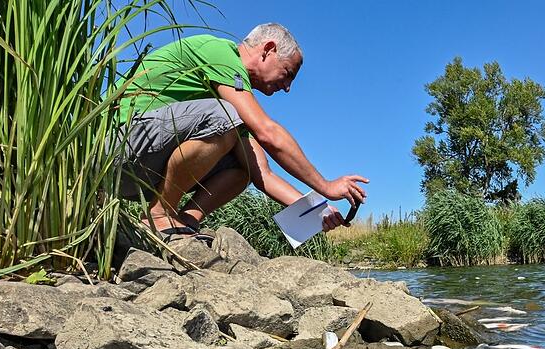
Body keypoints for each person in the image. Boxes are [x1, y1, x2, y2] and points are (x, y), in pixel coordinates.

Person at [112, 23, 367, 241]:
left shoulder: (228, 101)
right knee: (222, 116)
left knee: (244, 165)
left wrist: (317, 212)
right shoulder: (219, 53)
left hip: (140, 166)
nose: (288, 87)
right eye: (288, 74)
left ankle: (186, 221)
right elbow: (267, 132)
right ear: (268, 49)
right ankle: (159, 214)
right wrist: (326, 186)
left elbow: (262, 174)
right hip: (116, 150)